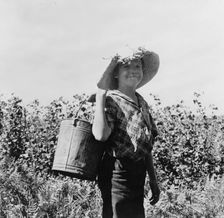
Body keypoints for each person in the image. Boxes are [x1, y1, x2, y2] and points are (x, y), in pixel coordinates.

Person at [92, 48, 160, 218]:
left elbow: (147, 145)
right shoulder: (111, 100)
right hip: (117, 173)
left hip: (138, 173)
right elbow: (100, 135)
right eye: (126, 67)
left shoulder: (142, 102)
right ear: (116, 73)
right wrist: (100, 96)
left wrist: (153, 179)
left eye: (137, 66)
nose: (133, 71)